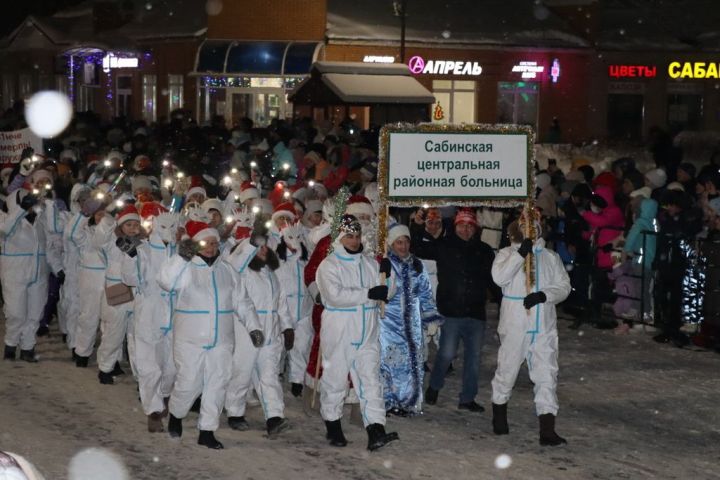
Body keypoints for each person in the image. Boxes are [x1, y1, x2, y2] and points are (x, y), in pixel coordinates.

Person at [157, 221, 254, 449]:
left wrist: (254, 327)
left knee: (218, 382)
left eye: (214, 243)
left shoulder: (226, 270)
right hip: (191, 339)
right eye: (205, 243)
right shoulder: (186, 268)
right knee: (189, 382)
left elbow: (242, 301)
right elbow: (166, 282)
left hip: (221, 339)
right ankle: (176, 414)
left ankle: (207, 430)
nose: (210, 247)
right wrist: (181, 257)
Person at [315, 214, 399, 451]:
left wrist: (388, 275)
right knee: (335, 380)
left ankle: (376, 429)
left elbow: (386, 293)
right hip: (340, 330)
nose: (354, 241)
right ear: (340, 238)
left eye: (357, 236)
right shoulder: (329, 265)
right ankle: (332, 425)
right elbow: (334, 295)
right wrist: (368, 293)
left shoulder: (370, 263)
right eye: (349, 236)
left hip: (368, 332)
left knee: (371, 381)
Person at [490, 219, 571, 446]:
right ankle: (499, 414)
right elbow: (499, 278)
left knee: (547, 372)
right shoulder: (506, 253)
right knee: (508, 367)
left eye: (534, 229)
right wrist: (519, 255)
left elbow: (564, 285)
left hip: (543, 322)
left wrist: (545, 295)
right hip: (516, 321)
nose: (531, 233)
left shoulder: (550, 257)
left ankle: (547, 429)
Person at [413, 208, 496, 412]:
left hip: (476, 312)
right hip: (450, 311)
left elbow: (493, 281)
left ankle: (467, 398)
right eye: (461, 225)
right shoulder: (444, 246)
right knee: (446, 353)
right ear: (455, 226)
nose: (465, 229)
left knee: (473, 358)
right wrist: (416, 225)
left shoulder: (484, 251)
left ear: (475, 228)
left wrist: (504, 302)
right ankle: (434, 385)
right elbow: (417, 248)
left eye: (469, 226)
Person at [224, 230, 291, 437]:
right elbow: (237, 262)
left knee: (269, 374)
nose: (263, 250)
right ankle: (235, 411)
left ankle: (274, 417)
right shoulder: (240, 272)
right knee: (242, 372)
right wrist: (250, 245)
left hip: (270, 331)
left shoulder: (271, 274)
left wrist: (287, 327)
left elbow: (280, 303)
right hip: (245, 331)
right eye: (257, 247)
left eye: (264, 247)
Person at [120, 207, 178, 432]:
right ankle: (153, 410)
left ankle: (163, 395)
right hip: (149, 313)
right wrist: (130, 256)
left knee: (172, 366)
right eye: (163, 226)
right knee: (149, 366)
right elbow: (130, 278)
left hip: (174, 314)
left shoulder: (180, 252)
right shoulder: (142, 250)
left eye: (172, 226)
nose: (168, 231)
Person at [380, 223, 441, 416]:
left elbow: (425, 292)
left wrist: (430, 317)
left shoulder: (417, 265)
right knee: (390, 362)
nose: (403, 246)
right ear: (391, 244)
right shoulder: (385, 264)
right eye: (398, 242)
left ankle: (407, 401)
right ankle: (388, 401)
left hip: (412, 323)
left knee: (410, 362)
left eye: (406, 242)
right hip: (389, 322)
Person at [1, 188, 58, 362]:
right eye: (26, 200)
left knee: (35, 313)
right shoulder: (5, 218)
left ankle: (27, 347)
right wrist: (20, 210)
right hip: (15, 273)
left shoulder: (40, 221)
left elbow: (50, 243)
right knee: (16, 312)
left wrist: (57, 268)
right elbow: (5, 231)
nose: (31, 203)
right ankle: (11, 344)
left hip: (38, 273)